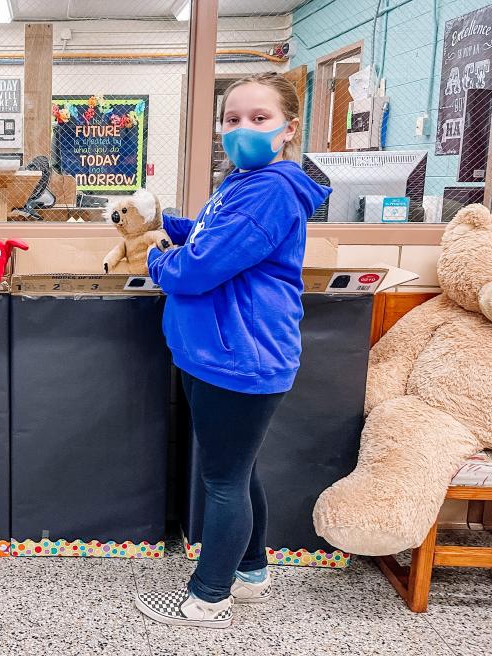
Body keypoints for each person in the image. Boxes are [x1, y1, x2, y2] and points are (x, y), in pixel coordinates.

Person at [136, 73, 332, 629]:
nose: (241, 129)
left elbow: (198, 268)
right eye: (231, 118)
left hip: (240, 356)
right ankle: (249, 571)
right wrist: (164, 224)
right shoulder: (244, 182)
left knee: (223, 481)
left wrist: (154, 258)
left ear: (289, 130)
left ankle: (208, 597)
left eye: (259, 118)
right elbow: (209, 231)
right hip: (215, 352)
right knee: (237, 473)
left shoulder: (270, 189)